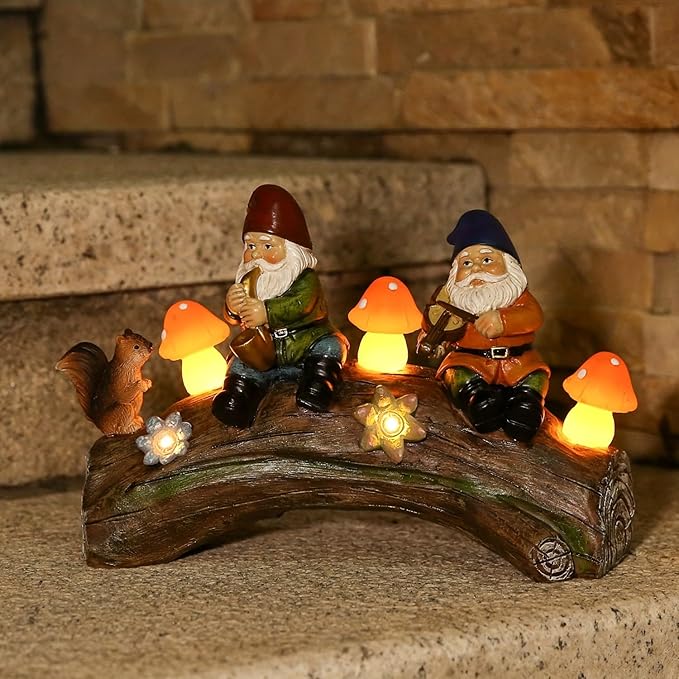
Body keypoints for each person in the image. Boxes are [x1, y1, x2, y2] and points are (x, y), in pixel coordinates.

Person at [212, 184, 348, 428]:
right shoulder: (249, 280)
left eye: (267, 246)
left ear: (292, 251)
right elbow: (235, 318)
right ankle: (239, 399)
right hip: (265, 352)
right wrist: (232, 308)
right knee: (238, 363)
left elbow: (301, 305)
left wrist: (266, 311)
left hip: (305, 343)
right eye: (250, 246)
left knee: (330, 347)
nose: (257, 255)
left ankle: (318, 385)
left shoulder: (305, 279)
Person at [417, 209, 550, 442]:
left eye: (487, 260)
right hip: (470, 360)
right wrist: (432, 341)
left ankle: (527, 406)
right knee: (456, 374)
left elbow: (534, 317)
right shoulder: (451, 300)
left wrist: (503, 320)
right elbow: (435, 326)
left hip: (519, 362)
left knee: (536, 378)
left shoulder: (519, 297)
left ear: (509, 265)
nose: (476, 269)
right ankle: (477, 401)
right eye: (466, 262)